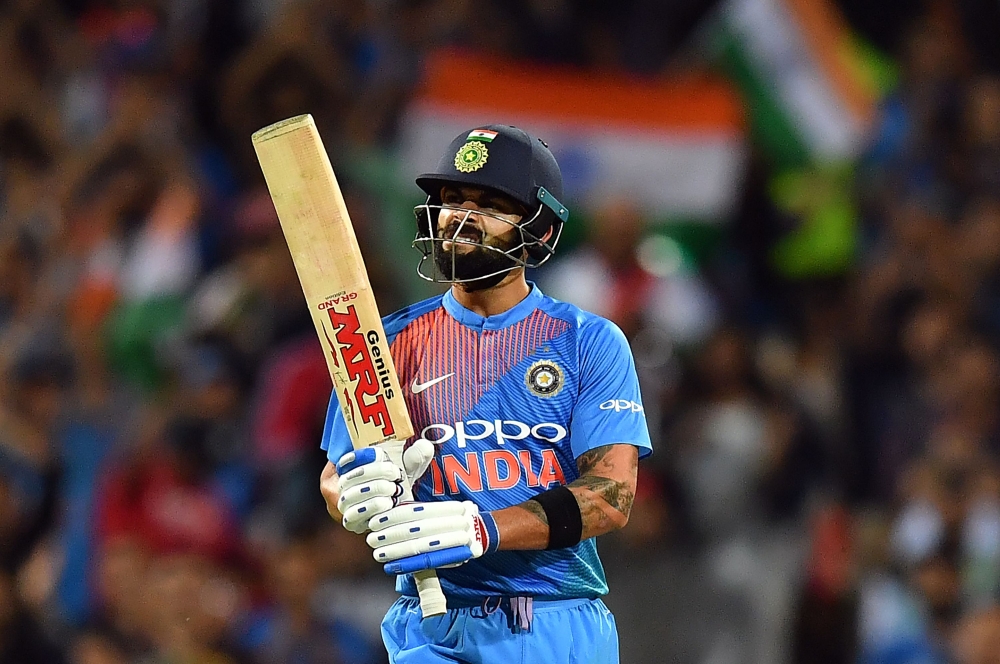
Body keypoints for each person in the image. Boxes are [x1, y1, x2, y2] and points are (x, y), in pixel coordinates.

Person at [318, 124, 652, 663]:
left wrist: (483, 529)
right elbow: (338, 476)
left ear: (540, 230)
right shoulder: (385, 340)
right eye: (453, 199)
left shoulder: (587, 340)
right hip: (428, 622)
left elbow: (612, 496)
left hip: (551, 619)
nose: (462, 218)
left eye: (491, 205)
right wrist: (353, 496)